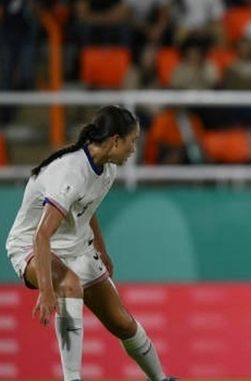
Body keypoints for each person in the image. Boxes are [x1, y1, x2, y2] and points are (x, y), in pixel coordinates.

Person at [5, 105, 175, 381]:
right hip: (31, 246)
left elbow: (87, 208)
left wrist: (101, 250)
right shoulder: (69, 174)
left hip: (77, 247)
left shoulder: (107, 170)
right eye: (132, 141)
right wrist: (47, 290)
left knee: (122, 323)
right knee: (69, 285)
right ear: (115, 140)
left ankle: (161, 379)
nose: (134, 149)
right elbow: (41, 235)